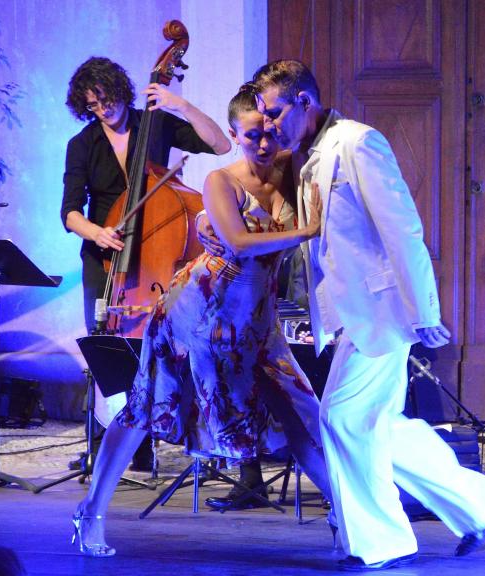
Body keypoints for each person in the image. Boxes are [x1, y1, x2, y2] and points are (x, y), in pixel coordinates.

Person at [252, 59, 485, 570]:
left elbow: (402, 229)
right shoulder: (311, 156)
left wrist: (423, 310)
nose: (270, 125)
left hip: (382, 310)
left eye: (275, 113)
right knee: (376, 424)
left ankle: (382, 541)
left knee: (342, 417)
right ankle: (474, 499)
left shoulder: (358, 143)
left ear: (304, 100)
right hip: (351, 312)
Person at [71, 84, 334, 557]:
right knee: (143, 407)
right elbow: (236, 243)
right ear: (234, 135)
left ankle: (347, 517)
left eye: (269, 132)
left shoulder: (292, 169)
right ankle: (91, 511)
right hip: (197, 313)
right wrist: (306, 230)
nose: (264, 143)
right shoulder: (221, 180)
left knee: (305, 415)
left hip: (256, 320)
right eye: (251, 135)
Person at [61, 56, 231, 472]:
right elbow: (69, 212)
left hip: (158, 256)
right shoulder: (82, 145)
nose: (105, 110)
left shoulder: (154, 123)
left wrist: (181, 105)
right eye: (95, 105)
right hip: (106, 260)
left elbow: (220, 144)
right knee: (108, 350)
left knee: (160, 349)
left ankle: (171, 433)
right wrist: (96, 232)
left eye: (109, 100)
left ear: (122, 91)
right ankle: (121, 441)